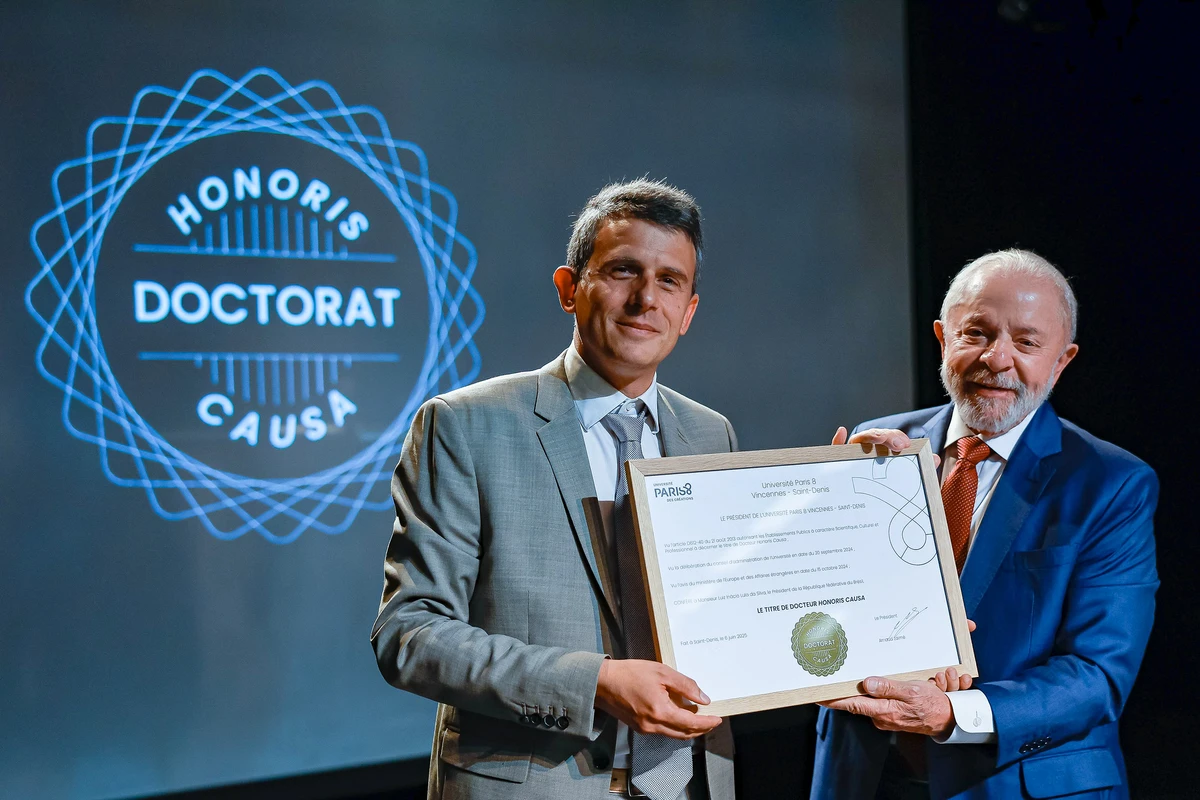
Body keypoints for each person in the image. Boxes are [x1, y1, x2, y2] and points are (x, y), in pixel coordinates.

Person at [372, 179, 738, 800]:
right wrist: (593, 683)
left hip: (691, 782)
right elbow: (410, 634)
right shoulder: (465, 425)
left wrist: (851, 480)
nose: (645, 299)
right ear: (569, 288)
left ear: (689, 311)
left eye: (669, 280)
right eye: (623, 271)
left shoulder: (710, 434)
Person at [810, 249, 1158, 799]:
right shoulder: (875, 450)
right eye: (976, 333)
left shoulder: (1111, 483)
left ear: (1062, 361)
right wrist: (829, 514)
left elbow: (1098, 675)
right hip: (863, 778)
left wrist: (953, 712)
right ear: (942, 338)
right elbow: (822, 604)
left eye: (1026, 342)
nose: (996, 359)